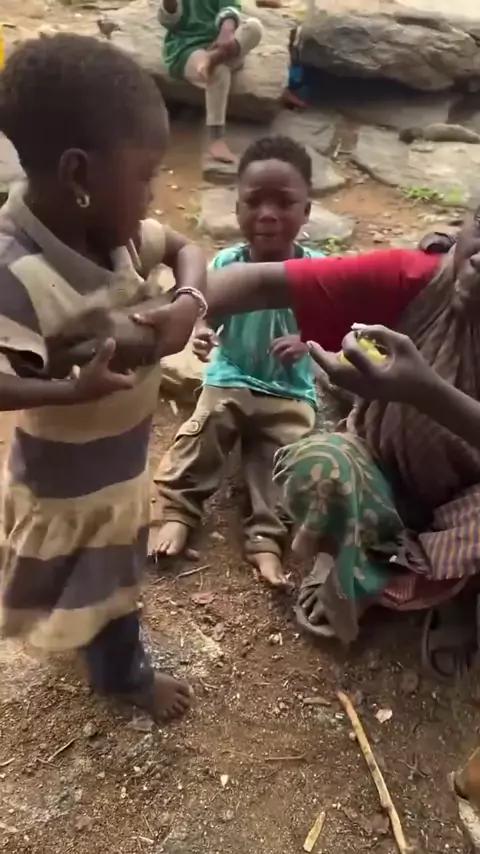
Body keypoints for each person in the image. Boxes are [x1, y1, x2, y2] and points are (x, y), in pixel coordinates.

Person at [0, 33, 209, 722]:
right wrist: (70, 390)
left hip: (117, 469)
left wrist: (187, 302)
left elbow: (186, 247)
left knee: (101, 578)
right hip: (69, 488)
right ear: (79, 175)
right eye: (146, 174)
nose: (154, 193)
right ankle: (124, 679)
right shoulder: (15, 273)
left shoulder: (112, 234)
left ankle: (93, 633)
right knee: (109, 596)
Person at [203, 217, 480, 682]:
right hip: (382, 469)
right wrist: (175, 308)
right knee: (318, 465)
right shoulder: (415, 277)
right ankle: (353, 559)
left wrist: (424, 391)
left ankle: (463, 597)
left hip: (470, 506)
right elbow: (260, 283)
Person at [151, 136, 322, 587]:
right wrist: (203, 332)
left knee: (286, 460)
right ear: (237, 207)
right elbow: (207, 313)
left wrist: (308, 341)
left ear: (307, 210)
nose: (267, 214)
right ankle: (178, 511)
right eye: (254, 202)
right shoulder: (228, 262)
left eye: (283, 203)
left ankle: (267, 540)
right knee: (206, 427)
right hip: (232, 378)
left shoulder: (319, 272)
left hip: (290, 393)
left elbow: (339, 328)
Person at [158, 0, 263, 163]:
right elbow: (170, 22)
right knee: (219, 72)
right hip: (188, 49)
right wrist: (169, 4)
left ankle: (215, 57)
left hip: (222, 45)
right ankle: (216, 140)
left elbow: (230, 9)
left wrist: (227, 31)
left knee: (254, 27)